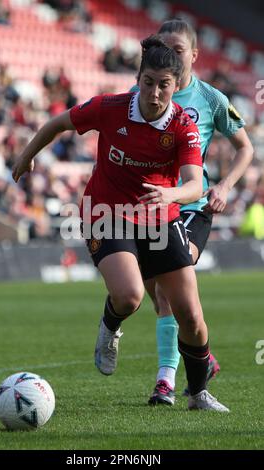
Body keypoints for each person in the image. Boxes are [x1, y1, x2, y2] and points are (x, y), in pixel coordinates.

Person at [12, 34, 229, 412]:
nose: (155, 93)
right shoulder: (110, 107)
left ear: (176, 86)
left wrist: (171, 195)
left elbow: (195, 183)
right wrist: (27, 156)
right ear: (138, 79)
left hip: (160, 215)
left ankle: (197, 394)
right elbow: (58, 123)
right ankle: (109, 327)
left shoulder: (183, 128)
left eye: (164, 85)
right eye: (148, 83)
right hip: (105, 212)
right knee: (130, 295)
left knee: (191, 317)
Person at [129, 20, 253, 406]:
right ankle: (202, 355)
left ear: (195, 55)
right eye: (163, 47)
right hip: (150, 207)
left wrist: (224, 186)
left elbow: (245, 148)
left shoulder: (212, 99)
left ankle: (165, 381)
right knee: (160, 298)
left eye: (178, 50)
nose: (170, 55)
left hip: (191, 208)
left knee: (167, 291)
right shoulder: (143, 92)